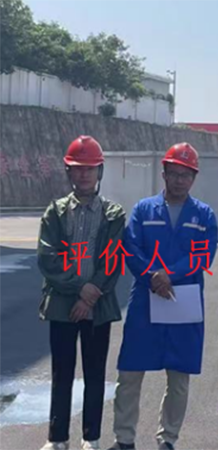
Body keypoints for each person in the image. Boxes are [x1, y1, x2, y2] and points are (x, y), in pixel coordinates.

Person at [107, 143, 218, 450]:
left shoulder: (203, 215)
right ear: (164, 173)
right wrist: (153, 278)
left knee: (179, 378)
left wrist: (169, 275)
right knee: (130, 373)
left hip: (183, 302)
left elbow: (203, 255)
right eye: (174, 173)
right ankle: (124, 438)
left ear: (194, 178)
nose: (180, 180)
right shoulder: (144, 210)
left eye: (186, 175)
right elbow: (131, 248)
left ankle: (168, 438)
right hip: (146, 300)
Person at [38, 136, 126, 450]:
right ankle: (57, 438)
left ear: (99, 171)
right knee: (61, 372)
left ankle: (91, 437)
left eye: (90, 168)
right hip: (62, 305)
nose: (84, 174)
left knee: (95, 373)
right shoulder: (56, 212)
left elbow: (112, 260)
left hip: (97, 307)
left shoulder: (113, 214)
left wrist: (90, 295)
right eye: (78, 168)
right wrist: (80, 289)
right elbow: (48, 258)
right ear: (69, 172)